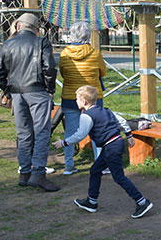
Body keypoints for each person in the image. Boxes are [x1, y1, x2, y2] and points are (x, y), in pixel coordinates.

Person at [53, 85, 153, 219]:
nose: (75, 101)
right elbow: (122, 121)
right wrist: (129, 136)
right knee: (95, 170)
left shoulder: (86, 116)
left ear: (85, 102)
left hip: (110, 147)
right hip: (115, 143)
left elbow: (80, 135)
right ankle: (91, 202)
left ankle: (142, 202)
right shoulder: (105, 110)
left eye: (77, 99)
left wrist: (63, 143)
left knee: (118, 177)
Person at [0, 12, 59, 192]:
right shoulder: (41, 42)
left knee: (23, 133)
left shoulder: (7, 44)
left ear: (19, 26)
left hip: (17, 93)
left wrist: (8, 89)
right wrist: (50, 90)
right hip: (37, 91)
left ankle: (24, 173)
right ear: (36, 29)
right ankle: (38, 173)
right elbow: (49, 68)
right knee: (42, 132)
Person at [58, 21, 107, 175]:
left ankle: (68, 165)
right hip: (93, 96)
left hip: (70, 96)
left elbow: (63, 73)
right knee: (97, 130)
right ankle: (100, 164)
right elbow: (102, 72)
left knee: (71, 131)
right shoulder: (95, 53)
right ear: (88, 35)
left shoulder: (64, 54)